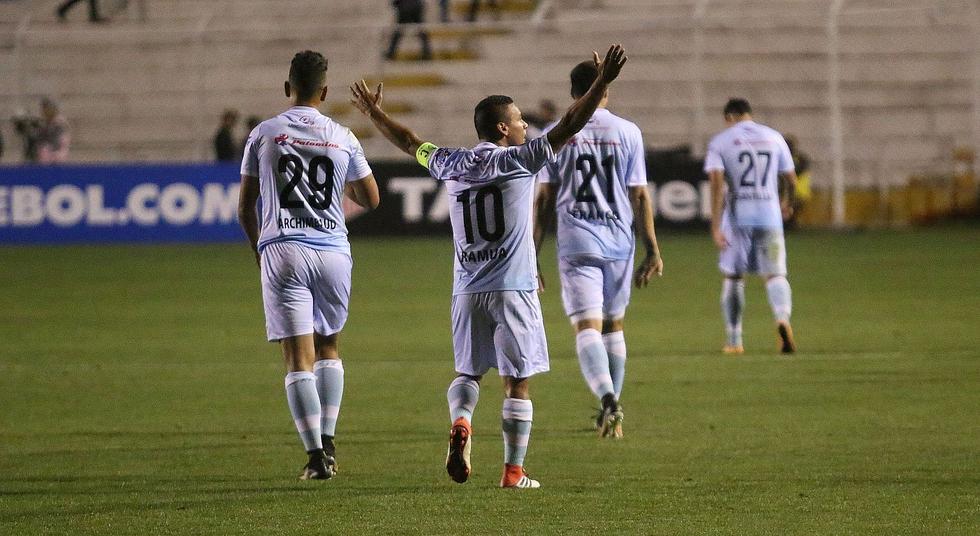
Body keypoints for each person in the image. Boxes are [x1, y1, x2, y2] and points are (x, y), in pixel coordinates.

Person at [350, 44, 629, 489]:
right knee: (517, 383)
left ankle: (462, 421)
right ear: (503, 128)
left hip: (467, 288)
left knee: (468, 373)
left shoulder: (450, 162)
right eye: (519, 120)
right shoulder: (522, 160)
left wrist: (375, 115)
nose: (525, 125)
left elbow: (408, 141)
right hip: (513, 287)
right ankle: (513, 472)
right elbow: (573, 123)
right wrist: (602, 84)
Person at [237, 50, 381, 480]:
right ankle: (330, 438)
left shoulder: (265, 133)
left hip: (284, 249)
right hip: (334, 250)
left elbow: (246, 206)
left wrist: (258, 250)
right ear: (325, 91)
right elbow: (371, 198)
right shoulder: (343, 135)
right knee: (329, 347)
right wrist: (339, 190)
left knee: (297, 359)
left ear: (287, 88)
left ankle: (317, 457)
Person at [532, 59, 663, 439]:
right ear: (606, 89)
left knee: (585, 326)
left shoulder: (557, 133)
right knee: (613, 325)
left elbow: (543, 201)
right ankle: (613, 407)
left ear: (573, 93)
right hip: (620, 240)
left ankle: (607, 398)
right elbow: (639, 195)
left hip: (577, 242)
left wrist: (532, 255)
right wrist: (652, 249)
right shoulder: (629, 132)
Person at [704, 98, 798, 355]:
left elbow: (715, 183)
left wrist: (715, 225)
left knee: (733, 277)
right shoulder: (774, 137)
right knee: (776, 274)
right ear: (749, 114)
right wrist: (787, 202)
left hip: (737, 218)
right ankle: (782, 320)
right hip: (770, 216)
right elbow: (790, 177)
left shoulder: (721, 142)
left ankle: (734, 340)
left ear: (729, 118)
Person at [36, 98, 71, 164]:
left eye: (47, 109)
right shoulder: (43, 124)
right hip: (46, 155)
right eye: (43, 109)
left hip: (58, 155)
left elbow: (62, 141)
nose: (44, 112)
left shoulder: (60, 123)